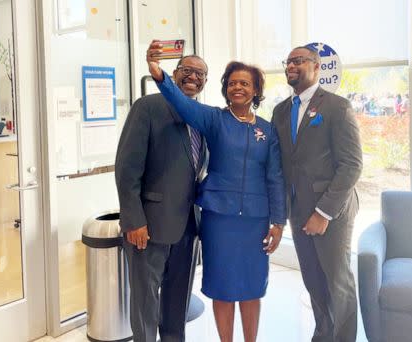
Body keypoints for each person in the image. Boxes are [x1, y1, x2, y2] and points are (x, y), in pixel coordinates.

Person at [146, 40, 286, 342]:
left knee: (251, 288)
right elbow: (182, 103)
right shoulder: (213, 119)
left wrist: (279, 221)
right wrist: (159, 75)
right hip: (219, 219)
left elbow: (275, 176)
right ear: (225, 88)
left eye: (245, 83)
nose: (238, 87)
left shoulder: (267, 129)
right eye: (233, 82)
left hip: (254, 222)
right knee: (223, 287)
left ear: (255, 90)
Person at [272, 46, 363, 342]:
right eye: (289, 62)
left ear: (317, 68)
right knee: (313, 280)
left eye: (299, 61)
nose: (292, 66)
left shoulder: (337, 107)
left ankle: (344, 337)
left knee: (337, 282)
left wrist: (323, 213)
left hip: (331, 212)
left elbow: (351, 165)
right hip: (297, 210)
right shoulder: (281, 111)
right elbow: (282, 162)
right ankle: (324, 334)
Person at [115, 54, 208, 342]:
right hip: (148, 227)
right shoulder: (148, 107)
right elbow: (127, 169)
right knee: (145, 302)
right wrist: (133, 220)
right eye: (187, 70)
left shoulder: (202, 116)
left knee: (177, 299)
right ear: (174, 73)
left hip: (188, 228)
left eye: (200, 73)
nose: (193, 77)